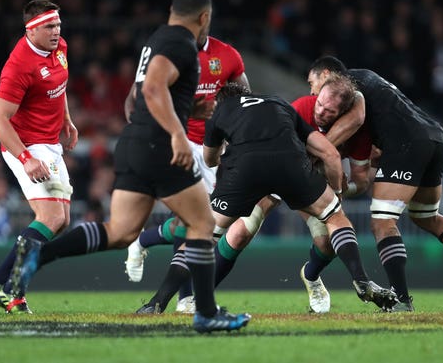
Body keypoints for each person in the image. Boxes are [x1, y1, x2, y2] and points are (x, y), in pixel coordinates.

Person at [6, 0, 251, 333]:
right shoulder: (180, 43)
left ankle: (38, 255)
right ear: (204, 17)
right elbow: (151, 90)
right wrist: (179, 135)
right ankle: (206, 312)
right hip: (160, 145)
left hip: (135, 142)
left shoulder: (157, 40)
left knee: (120, 232)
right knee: (202, 224)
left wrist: (193, 107)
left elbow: (147, 95)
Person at [133, 82, 398, 314]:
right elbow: (328, 154)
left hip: (246, 169)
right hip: (292, 165)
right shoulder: (281, 104)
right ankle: (361, 278)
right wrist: (335, 196)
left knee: (202, 235)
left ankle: (157, 302)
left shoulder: (220, 111)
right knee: (335, 217)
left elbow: (209, 159)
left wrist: (227, 147)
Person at [308, 55, 443, 312]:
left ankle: (401, 300)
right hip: (434, 138)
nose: (312, 92)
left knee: (382, 222)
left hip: (408, 143)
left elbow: (356, 120)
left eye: (312, 82)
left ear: (326, 74)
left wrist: (316, 153)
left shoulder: (349, 86)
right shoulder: (368, 80)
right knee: (427, 217)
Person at [123, 31, 250, 313]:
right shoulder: (164, 54)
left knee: (199, 221)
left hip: (213, 148)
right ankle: (185, 299)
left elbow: (245, 96)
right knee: (193, 219)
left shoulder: (227, 55)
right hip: (176, 141)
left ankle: (142, 240)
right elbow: (134, 100)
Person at [0, 0, 78, 314]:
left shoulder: (59, 47)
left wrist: (66, 120)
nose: (56, 31)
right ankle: (10, 290)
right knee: (51, 218)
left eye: (58, 25)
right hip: (25, 144)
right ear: (30, 30)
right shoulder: (19, 66)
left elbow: (58, 86)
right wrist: (25, 158)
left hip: (50, 142)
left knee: (62, 222)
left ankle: (1, 281)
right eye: (49, 26)